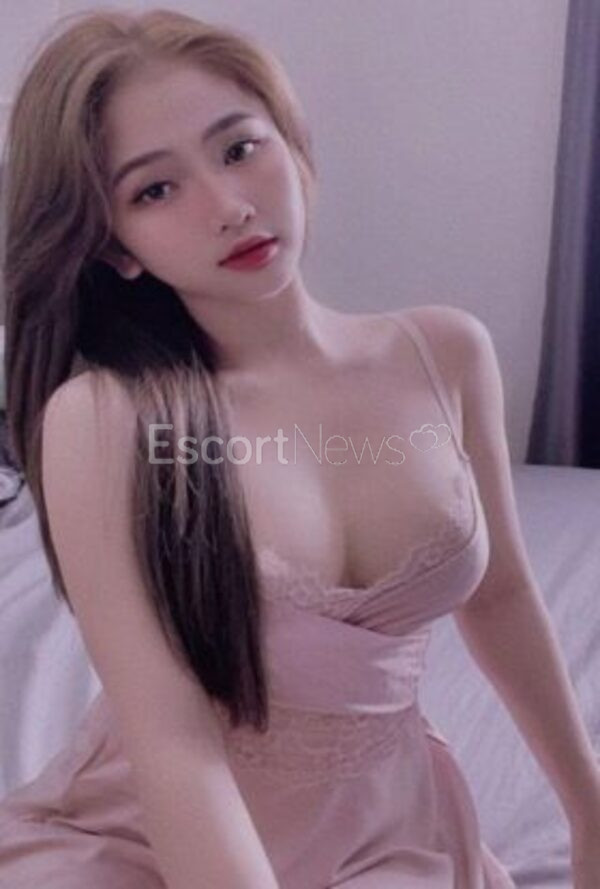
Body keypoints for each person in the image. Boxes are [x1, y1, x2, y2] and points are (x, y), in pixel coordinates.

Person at [0, 7, 599, 889]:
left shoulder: (444, 354)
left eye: (240, 148)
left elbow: (503, 595)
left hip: (386, 829)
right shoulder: (107, 421)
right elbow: (172, 742)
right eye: (155, 191)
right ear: (115, 247)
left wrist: (589, 811)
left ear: (295, 142)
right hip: (146, 838)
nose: (229, 205)